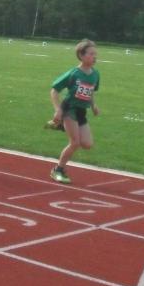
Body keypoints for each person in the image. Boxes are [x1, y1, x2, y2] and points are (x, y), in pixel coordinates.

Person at [46, 39, 100, 184]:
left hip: (82, 111)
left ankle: (59, 124)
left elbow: (90, 91)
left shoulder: (95, 74)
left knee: (87, 144)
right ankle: (58, 170)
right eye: (91, 54)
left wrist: (93, 106)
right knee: (75, 143)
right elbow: (54, 91)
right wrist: (58, 110)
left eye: (95, 54)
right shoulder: (74, 73)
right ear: (81, 55)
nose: (94, 57)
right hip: (69, 109)